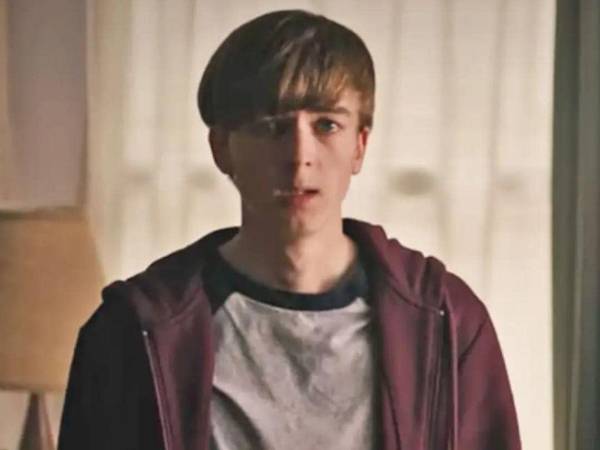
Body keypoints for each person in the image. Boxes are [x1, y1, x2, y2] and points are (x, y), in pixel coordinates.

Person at [58, 9, 520, 450]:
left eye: (327, 125)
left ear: (359, 146)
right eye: (272, 127)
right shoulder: (135, 330)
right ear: (222, 148)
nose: (300, 156)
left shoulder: (446, 321)